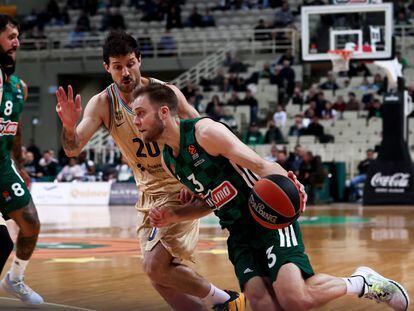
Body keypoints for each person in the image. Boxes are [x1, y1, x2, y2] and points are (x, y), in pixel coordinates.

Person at [132, 83, 409, 311]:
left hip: (266, 215)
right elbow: (211, 200)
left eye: (140, 113)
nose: (136, 121)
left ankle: (362, 282)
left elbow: (260, 165)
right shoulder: (169, 160)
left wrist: (290, 182)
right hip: (238, 234)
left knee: (294, 299)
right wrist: (175, 215)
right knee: (264, 305)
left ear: (164, 112)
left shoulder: (205, 133)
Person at [55, 30, 244, 311]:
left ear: (140, 60)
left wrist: (193, 177)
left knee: (155, 266)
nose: (126, 72)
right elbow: (73, 149)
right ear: (107, 68)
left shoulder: (164, 94)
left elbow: (200, 128)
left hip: (178, 186)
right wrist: (69, 127)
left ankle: (225, 301)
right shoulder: (103, 103)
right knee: (159, 276)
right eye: (117, 67)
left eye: (130, 63)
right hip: (146, 194)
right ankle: (215, 305)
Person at [0, 14, 43, 305]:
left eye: (17, 36)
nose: (17, 42)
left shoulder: (19, 87)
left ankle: (15, 279)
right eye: (10, 36)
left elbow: (15, 130)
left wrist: (21, 164)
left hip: (3, 165)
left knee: (30, 223)